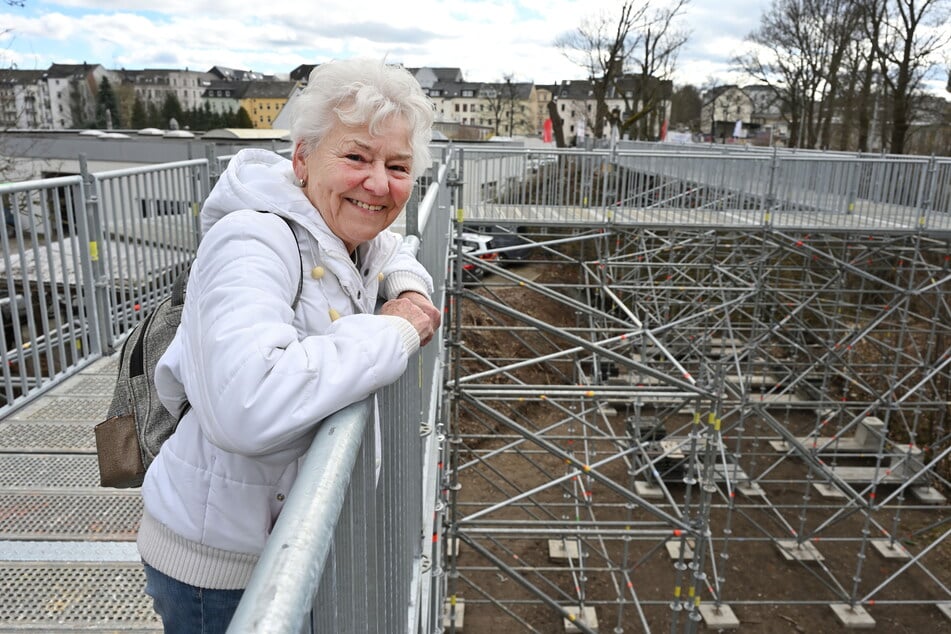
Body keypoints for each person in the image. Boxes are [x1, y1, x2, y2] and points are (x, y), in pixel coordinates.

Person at [137, 58, 441, 633]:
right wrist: (396, 331)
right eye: (355, 157)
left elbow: (396, 249)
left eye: (397, 166)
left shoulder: (346, 231)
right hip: (222, 574)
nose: (378, 183)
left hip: (287, 544)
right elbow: (247, 405)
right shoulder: (251, 239)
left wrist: (406, 287)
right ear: (302, 158)